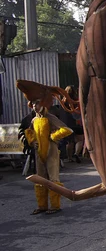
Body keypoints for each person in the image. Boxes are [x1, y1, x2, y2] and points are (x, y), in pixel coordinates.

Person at [16, 80, 75, 214]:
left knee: (53, 179)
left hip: (51, 152)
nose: (35, 106)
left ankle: (55, 206)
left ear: (42, 103)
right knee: (40, 179)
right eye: (33, 104)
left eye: (37, 103)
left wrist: (52, 137)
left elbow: (67, 130)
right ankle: (42, 206)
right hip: (39, 153)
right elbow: (29, 131)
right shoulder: (34, 120)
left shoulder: (50, 117)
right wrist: (32, 141)